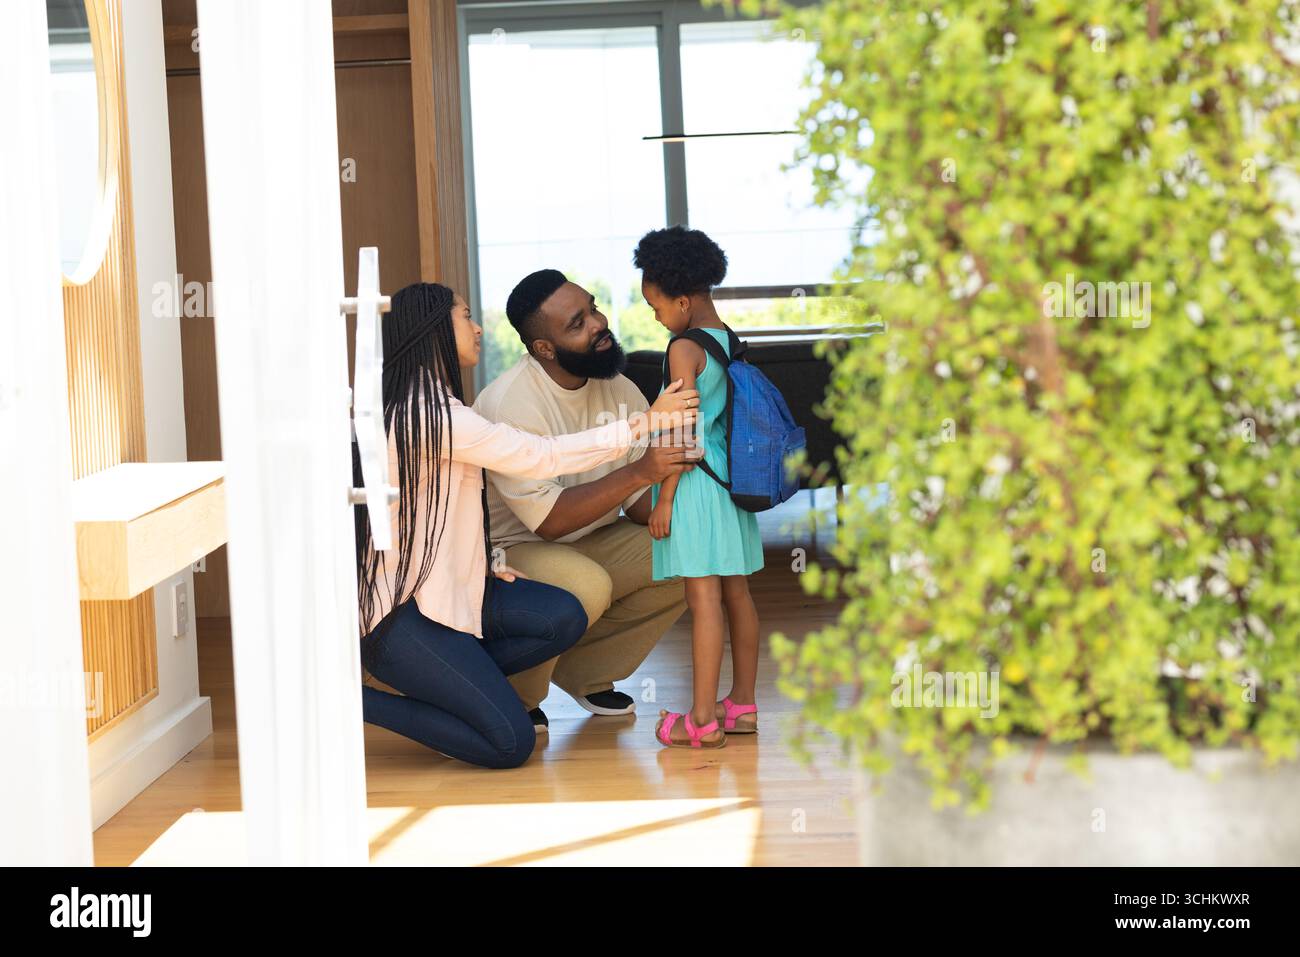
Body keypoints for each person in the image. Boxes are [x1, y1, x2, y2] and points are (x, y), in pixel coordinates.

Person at [355, 281, 699, 768]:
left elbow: (442, 514)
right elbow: (541, 456)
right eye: (465, 317)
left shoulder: (443, 407)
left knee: (562, 615)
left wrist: (486, 560)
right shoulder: (430, 415)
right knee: (510, 745)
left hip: (452, 590)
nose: (478, 328)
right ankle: (356, 701)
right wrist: (644, 425)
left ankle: (465, 688)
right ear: (434, 332)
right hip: (402, 614)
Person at [473, 270, 702, 730]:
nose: (598, 324)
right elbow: (550, 522)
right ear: (544, 348)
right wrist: (642, 470)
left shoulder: (617, 386)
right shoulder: (510, 403)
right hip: (513, 552)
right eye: (577, 324)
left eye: (593, 309)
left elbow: (638, 503)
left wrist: (681, 482)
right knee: (587, 585)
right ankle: (516, 695)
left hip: (593, 537)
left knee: (691, 550)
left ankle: (585, 672)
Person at [634, 226, 764, 749]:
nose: (656, 317)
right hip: (730, 482)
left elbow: (680, 430)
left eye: (657, 306)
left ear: (683, 301)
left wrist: (663, 499)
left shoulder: (683, 348)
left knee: (703, 599)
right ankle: (743, 705)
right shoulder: (729, 339)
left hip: (694, 486)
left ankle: (703, 720)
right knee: (737, 594)